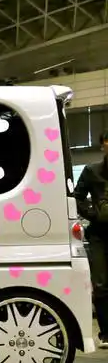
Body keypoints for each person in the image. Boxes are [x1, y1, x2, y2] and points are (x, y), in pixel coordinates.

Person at [74, 131, 108, 349]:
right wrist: (93, 214)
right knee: (102, 284)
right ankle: (106, 333)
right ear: (103, 145)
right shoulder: (91, 171)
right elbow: (76, 197)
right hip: (99, 235)